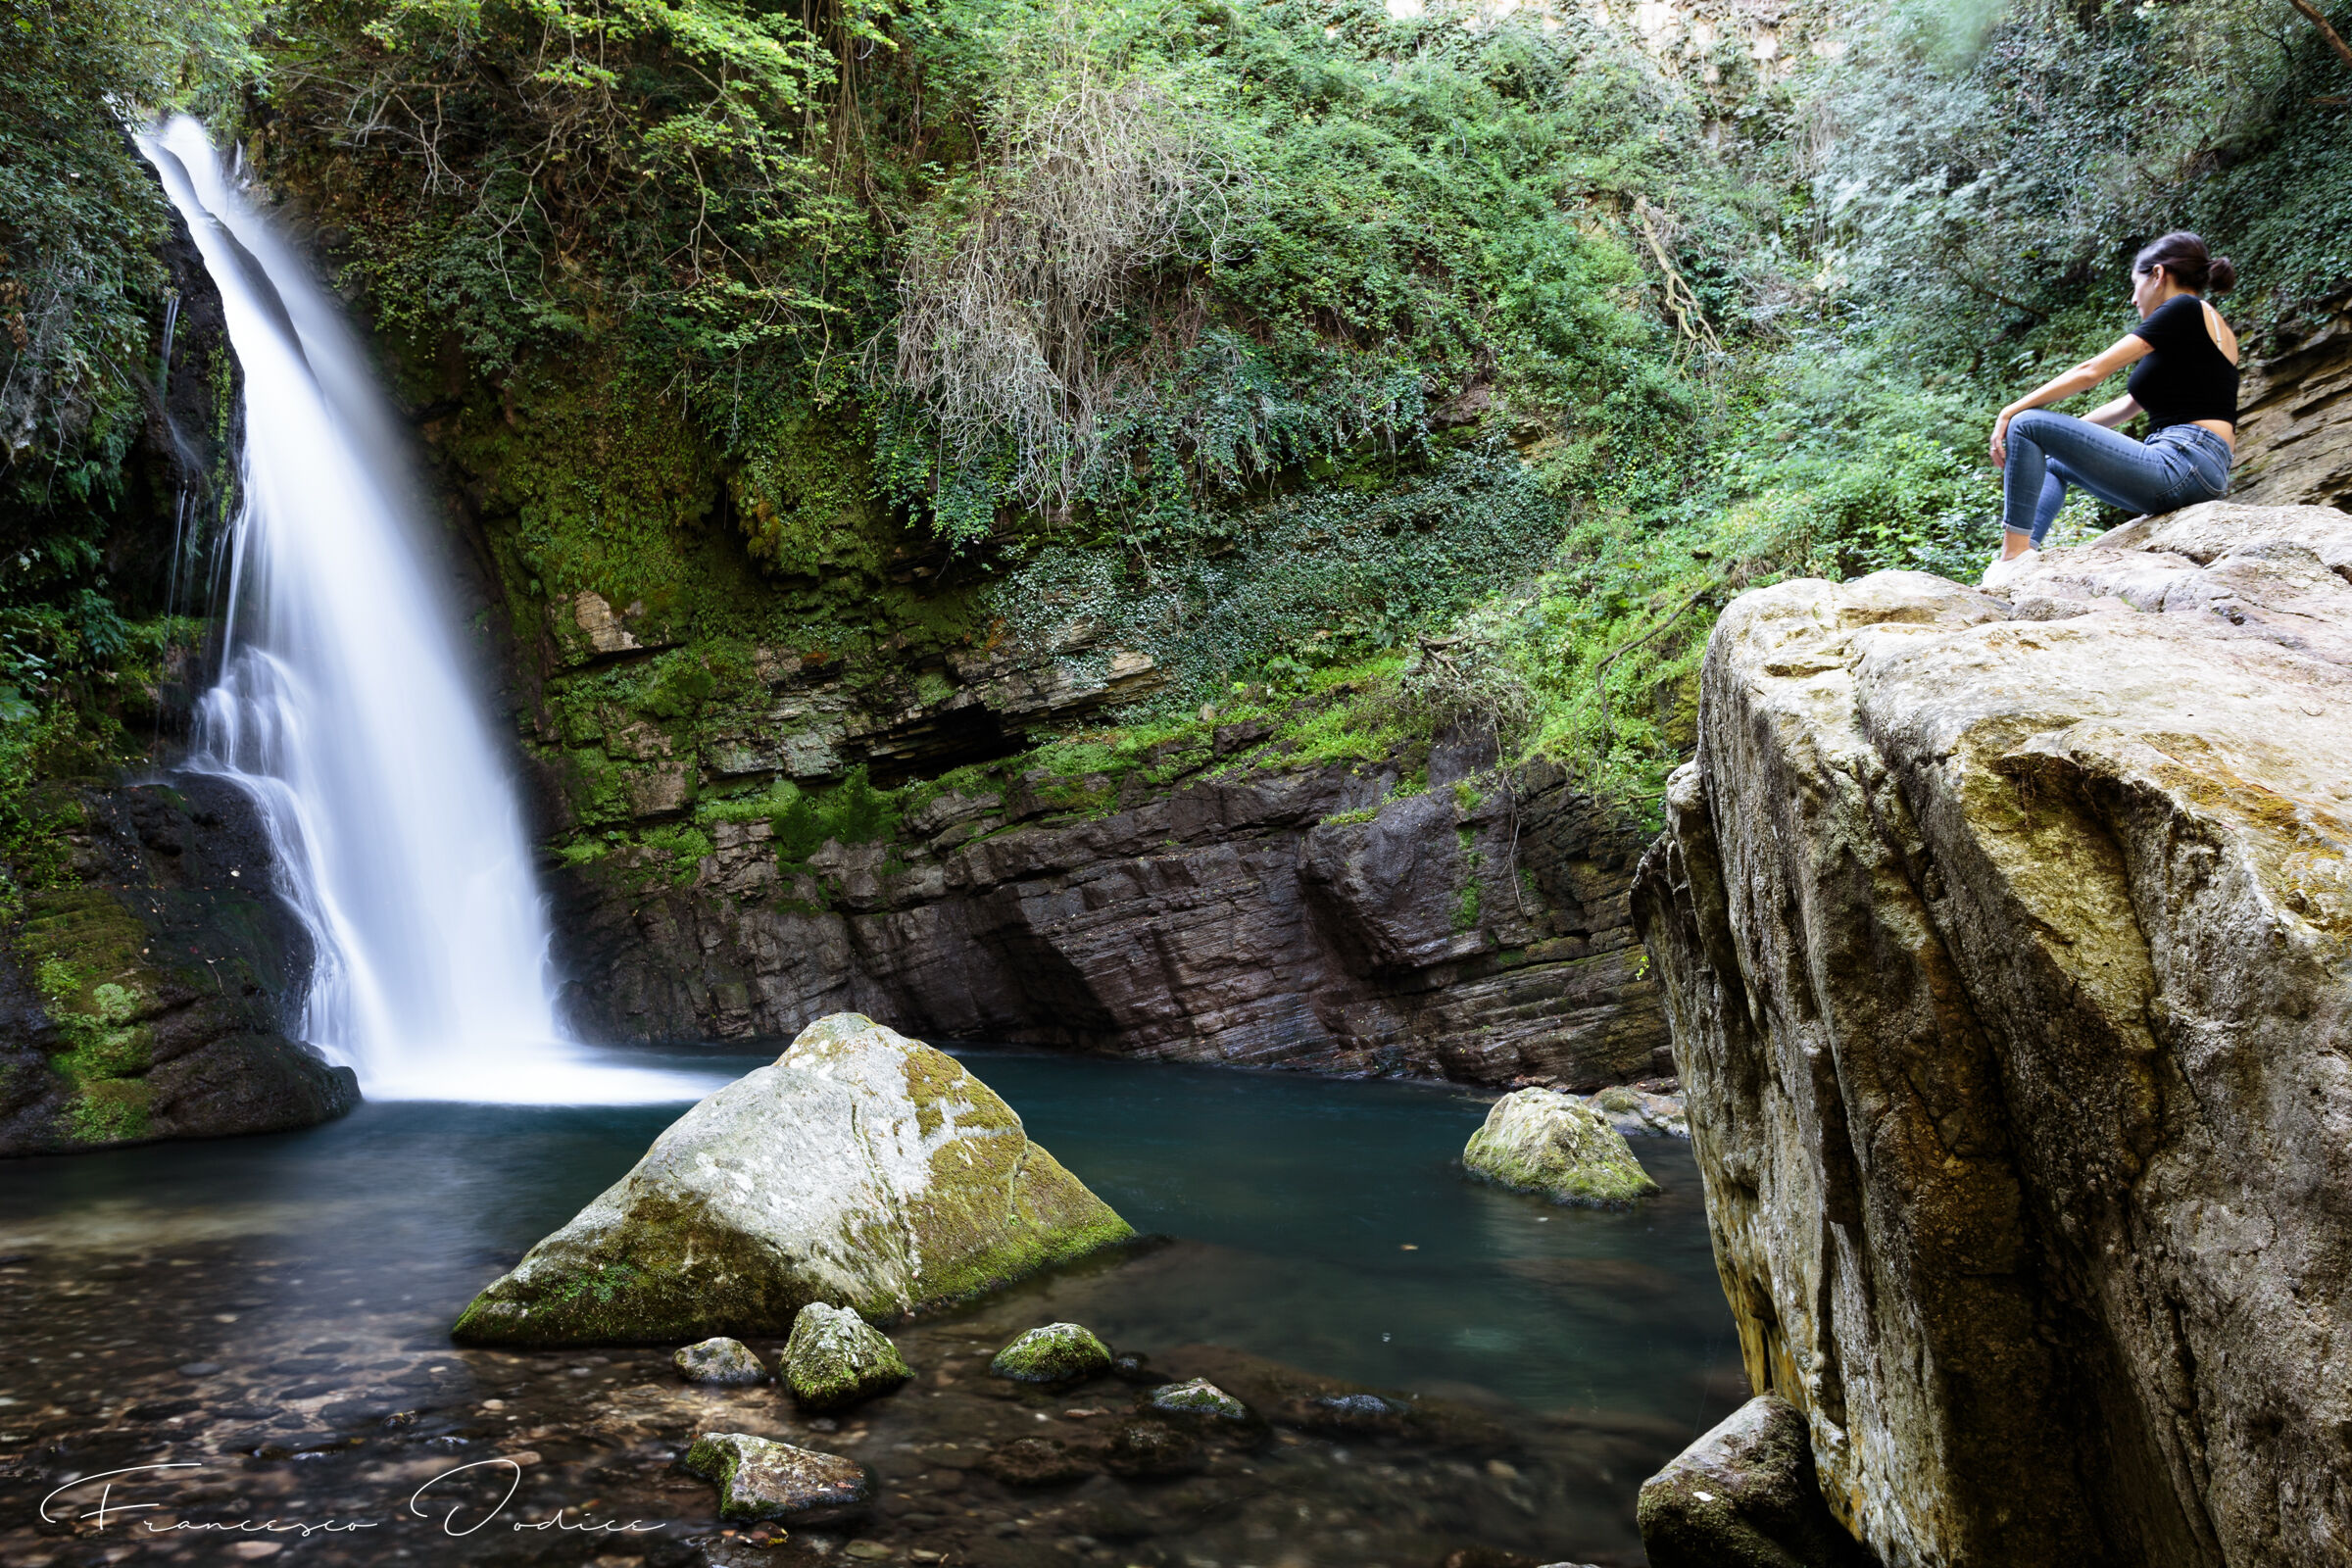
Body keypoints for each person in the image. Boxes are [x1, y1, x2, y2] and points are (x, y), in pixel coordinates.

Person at [1986, 232, 2239, 564]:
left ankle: (2011, 557)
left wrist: (2011, 412)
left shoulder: (2184, 308)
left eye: (2136, 285)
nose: (2134, 299)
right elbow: (2127, 406)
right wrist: (2061, 437)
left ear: (2158, 275)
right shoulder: (2211, 331)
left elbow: (2093, 370)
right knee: (2051, 464)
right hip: (2202, 470)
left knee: (2026, 423)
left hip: (2182, 462)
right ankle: (2026, 549)